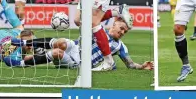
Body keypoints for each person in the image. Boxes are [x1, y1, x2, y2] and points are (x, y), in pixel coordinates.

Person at [11, 17, 153, 70]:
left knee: (57, 53)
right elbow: (80, 21)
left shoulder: (120, 46)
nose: (122, 32)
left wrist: (142, 66)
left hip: (79, 62)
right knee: (61, 42)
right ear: (114, 24)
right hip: (75, 48)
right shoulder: (98, 29)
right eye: (121, 28)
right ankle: (24, 42)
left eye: (125, 32)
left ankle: (21, 64)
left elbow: (129, 64)